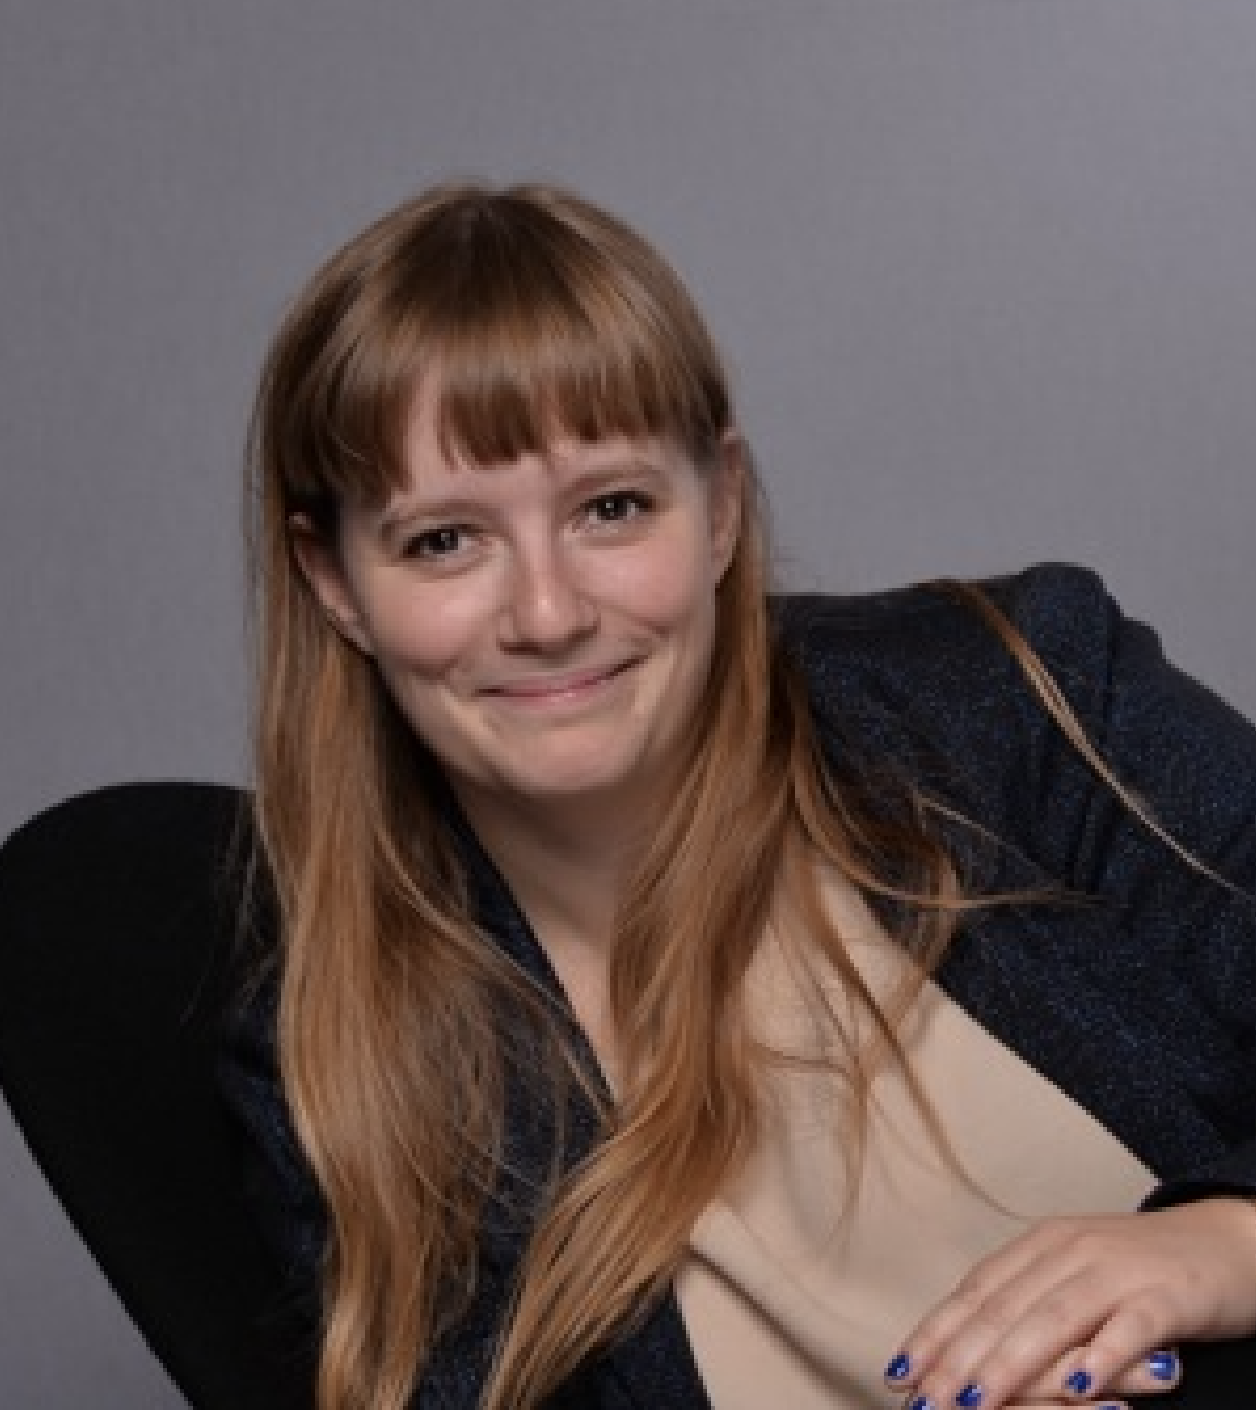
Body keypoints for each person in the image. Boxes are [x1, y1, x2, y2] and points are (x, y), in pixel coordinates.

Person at [220, 181, 1256, 1410]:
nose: (546, 613)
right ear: (334, 582)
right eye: (444, 539)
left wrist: (1229, 1245)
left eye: (610, 508)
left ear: (718, 506)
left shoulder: (1019, 698)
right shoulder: (330, 1051)